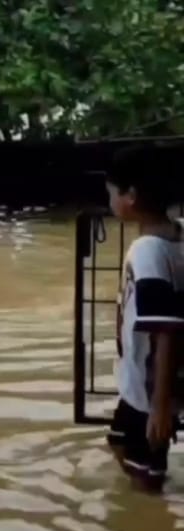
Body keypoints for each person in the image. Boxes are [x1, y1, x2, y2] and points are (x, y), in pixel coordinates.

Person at [104, 146, 184, 494]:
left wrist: (160, 406)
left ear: (131, 196)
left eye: (111, 193)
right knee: (119, 442)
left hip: (150, 390)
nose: (109, 202)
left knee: (145, 481)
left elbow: (166, 330)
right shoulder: (177, 233)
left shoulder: (147, 250)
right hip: (142, 385)